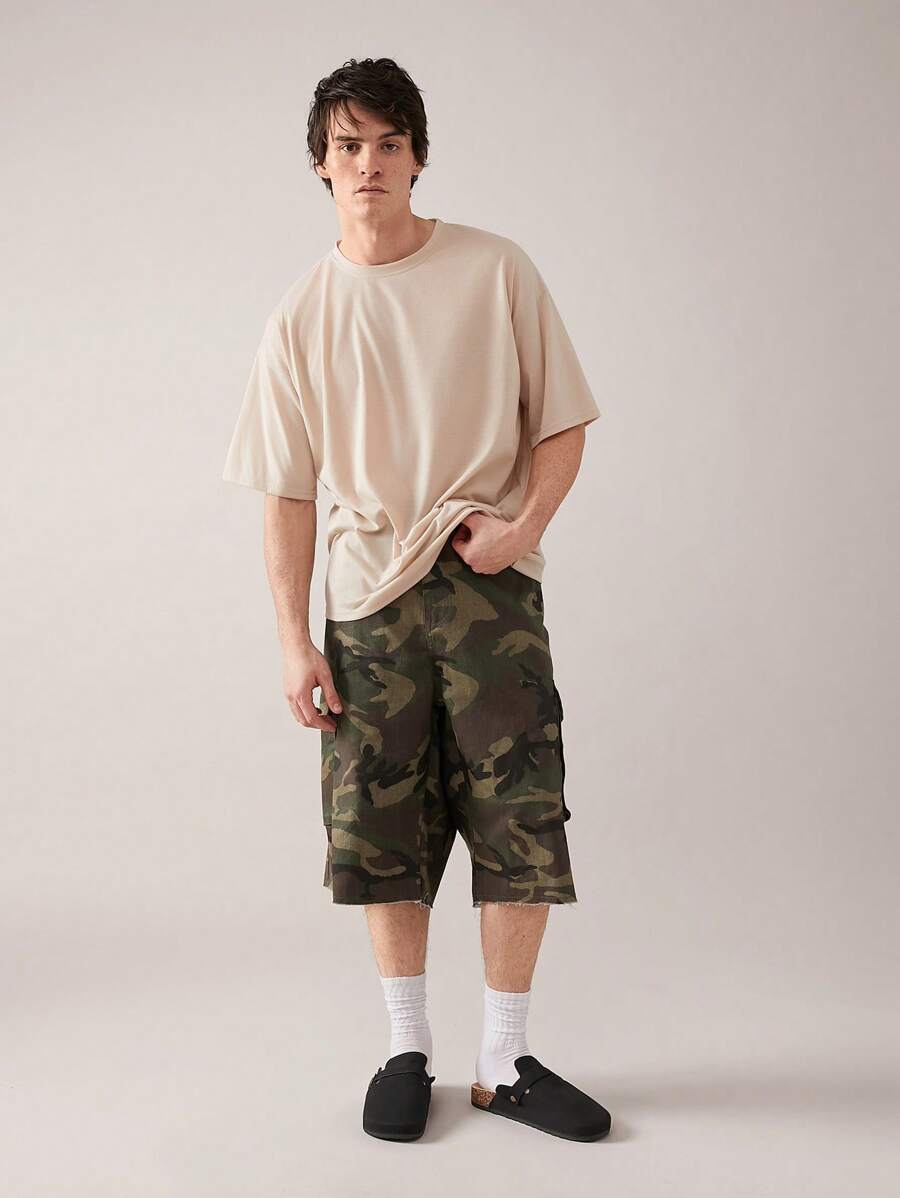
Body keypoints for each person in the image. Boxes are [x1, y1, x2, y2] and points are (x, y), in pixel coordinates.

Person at [222, 56, 611, 1143]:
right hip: (367, 603)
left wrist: (522, 531)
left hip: (488, 588)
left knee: (519, 810)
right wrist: (292, 638)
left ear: (418, 159)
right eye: (349, 146)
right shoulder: (301, 316)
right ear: (321, 164)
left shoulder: (496, 270)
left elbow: (564, 418)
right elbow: (287, 492)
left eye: (390, 144)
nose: (370, 164)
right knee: (379, 824)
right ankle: (407, 1047)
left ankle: (504, 1059)